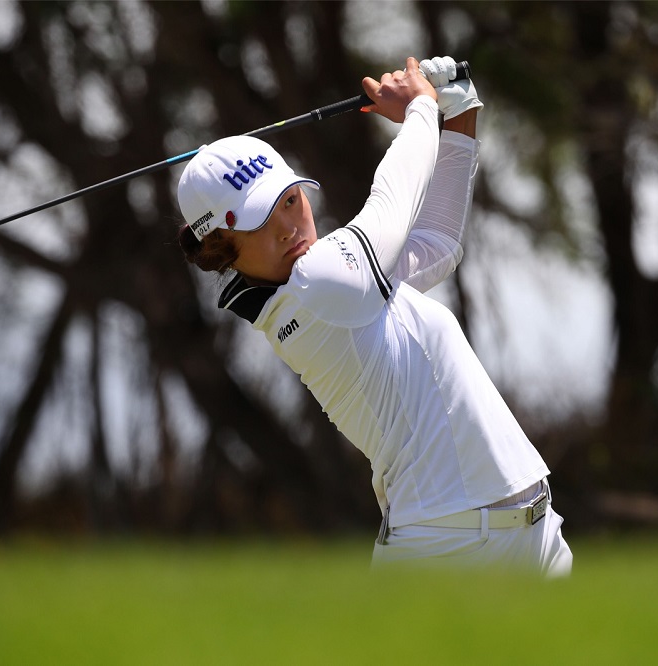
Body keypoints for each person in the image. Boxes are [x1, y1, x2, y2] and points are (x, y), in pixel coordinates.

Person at [175, 56, 572, 576]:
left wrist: (459, 113)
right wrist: (420, 109)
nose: (288, 227)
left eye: (289, 201)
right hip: (447, 552)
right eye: (258, 223)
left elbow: (438, 244)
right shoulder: (319, 282)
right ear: (222, 247)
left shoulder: (337, 285)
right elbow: (391, 201)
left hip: (526, 533)